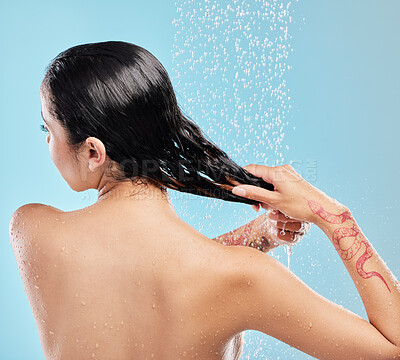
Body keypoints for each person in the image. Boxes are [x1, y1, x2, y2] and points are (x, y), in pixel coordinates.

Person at [9, 41, 400, 360]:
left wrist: (256, 237)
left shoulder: (32, 231)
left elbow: (137, 284)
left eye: (49, 127)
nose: (48, 141)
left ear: (94, 152)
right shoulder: (241, 278)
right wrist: (332, 215)